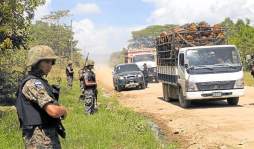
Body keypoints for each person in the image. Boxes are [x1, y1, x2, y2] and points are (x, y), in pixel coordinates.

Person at [15, 45, 67, 149]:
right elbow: (53, 111)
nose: (50, 65)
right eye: (46, 62)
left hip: (46, 136)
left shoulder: (39, 82)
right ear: (36, 63)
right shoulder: (32, 83)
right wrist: (64, 110)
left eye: (51, 62)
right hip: (40, 139)